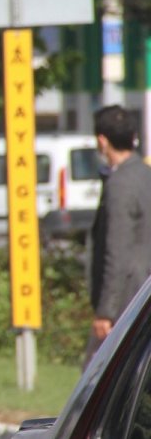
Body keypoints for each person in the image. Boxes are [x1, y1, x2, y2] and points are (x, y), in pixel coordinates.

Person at [85, 105, 151, 367]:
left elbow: (117, 250)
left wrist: (106, 312)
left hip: (126, 303)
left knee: (93, 391)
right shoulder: (146, 175)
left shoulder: (120, 184)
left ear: (102, 140)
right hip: (143, 296)